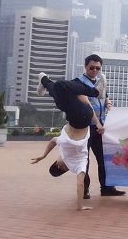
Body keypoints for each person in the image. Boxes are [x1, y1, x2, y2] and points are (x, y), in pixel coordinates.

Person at [31, 73, 105, 211]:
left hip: (74, 113)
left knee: (60, 91)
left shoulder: (65, 153)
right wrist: (80, 206)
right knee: (62, 87)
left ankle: (44, 81)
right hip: (82, 117)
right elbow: (80, 184)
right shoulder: (78, 165)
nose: (62, 164)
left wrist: (44, 155)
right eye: (63, 168)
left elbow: (53, 140)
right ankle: (95, 91)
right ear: (60, 167)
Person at [74, 54, 125, 199]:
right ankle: (84, 189)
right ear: (85, 67)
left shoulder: (100, 81)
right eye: (92, 68)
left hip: (100, 127)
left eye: (98, 68)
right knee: (84, 160)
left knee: (104, 158)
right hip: (84, 127)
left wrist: (108, 103)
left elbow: (105, 96)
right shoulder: (79, 83)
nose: (95, 71)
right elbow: (86, 104)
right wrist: (96, 122)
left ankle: (107, 187)